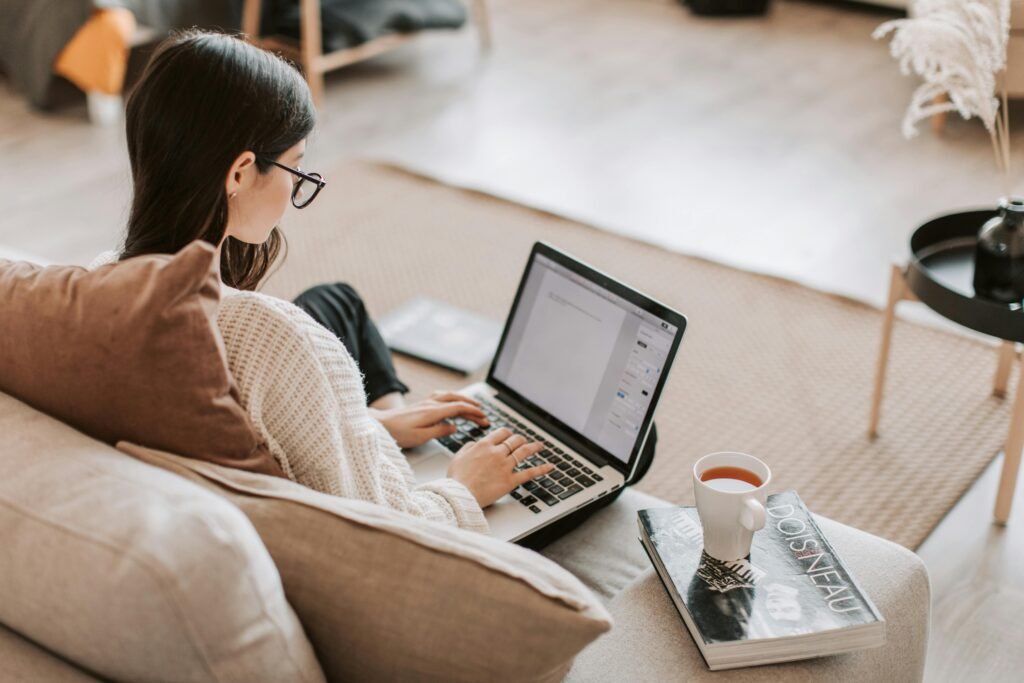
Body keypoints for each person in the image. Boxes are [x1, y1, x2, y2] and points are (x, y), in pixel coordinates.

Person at [94, 29, 556, 534]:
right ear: (242, 172)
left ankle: (384, 419)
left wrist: (373, 428)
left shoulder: (98, 282)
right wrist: (464, 486)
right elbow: (390, 532)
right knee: (341, 320)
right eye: (295, 167)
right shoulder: (278, 338)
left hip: (314, 408)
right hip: (369, 480)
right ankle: (388, 438)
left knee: (337, 301)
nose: (297, 185)